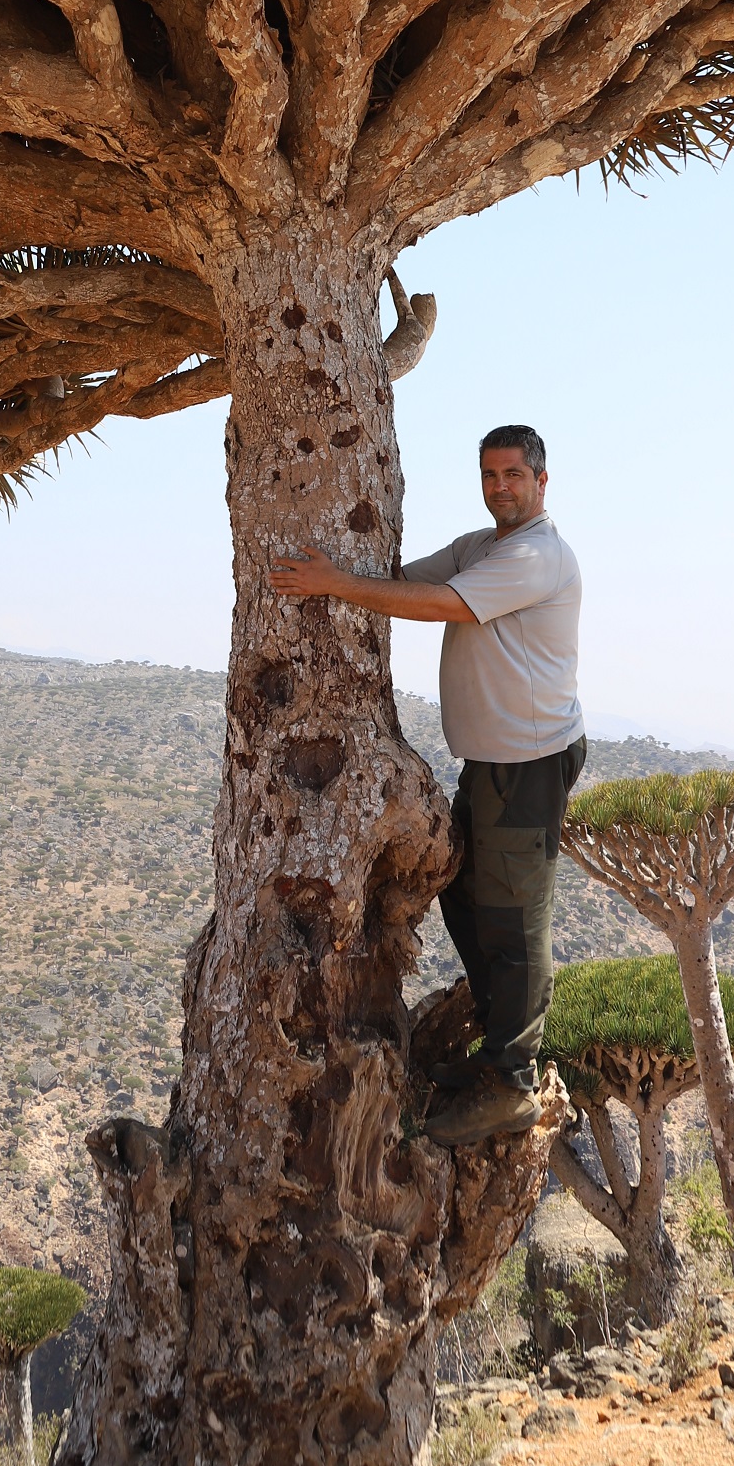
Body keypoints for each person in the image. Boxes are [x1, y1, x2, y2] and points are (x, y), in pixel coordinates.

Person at [271, 424, 585, 1146]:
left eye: (513, 474)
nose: (500, 486)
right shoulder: (485, 547)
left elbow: (442, 606)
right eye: (489, 474)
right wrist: (346, 574)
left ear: (541, 480)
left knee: (514, 919)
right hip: (493, 761)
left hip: (529, 764)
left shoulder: (538, 557)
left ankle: (512, 1084)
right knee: (465, 897)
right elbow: (415, 580)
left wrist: (337, 586)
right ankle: (495, 1050)